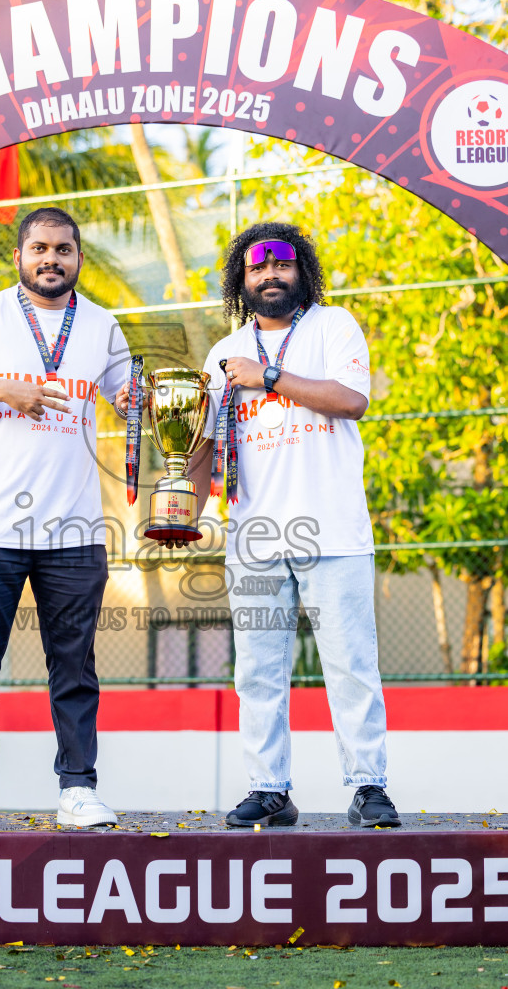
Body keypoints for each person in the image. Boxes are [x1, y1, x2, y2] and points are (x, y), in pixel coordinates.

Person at [0, 206, 131, 829]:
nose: (51, 259)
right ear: (19, 255)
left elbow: (128, 398)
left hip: (74, 526)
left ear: (79, 258)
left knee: (75, 664)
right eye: (40, 248)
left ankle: (78, 789)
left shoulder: (102, 324)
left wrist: (145, 400)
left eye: (63, 249)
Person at [189, 222, 400, 829]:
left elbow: (352, 400)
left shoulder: (334, 327)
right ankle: (269, 789)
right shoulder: (223, 352)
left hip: (333, 531)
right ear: (241, 280)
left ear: (302, 270)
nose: (270, 275)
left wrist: (269, 377)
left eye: (281, 264)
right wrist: (182, 516)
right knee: (257, 672)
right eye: (257, 267)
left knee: (351, 666)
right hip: (254, 538)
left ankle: (368, 786)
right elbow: (203, 443)